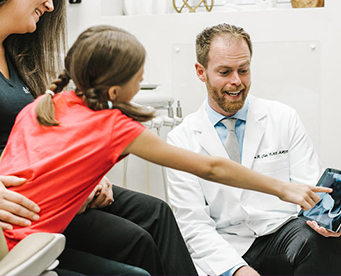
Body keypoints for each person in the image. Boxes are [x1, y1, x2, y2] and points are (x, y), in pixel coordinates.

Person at [0, 25, 329, 255]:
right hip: (26, 247)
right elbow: (211, 169)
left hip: (11, 237)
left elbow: (50, 164)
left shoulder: (45, 104)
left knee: (152, 219)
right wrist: (283, 188)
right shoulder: (117, 126)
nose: (237, 81)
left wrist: (89, 183)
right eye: (139, 77)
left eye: (243, 70)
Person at [0, 0, 191, 275]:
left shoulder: (18, 59)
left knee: (157, 214)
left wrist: (90, 175)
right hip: (22, 203)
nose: (49, 5)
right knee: (136, 243)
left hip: (51, 182)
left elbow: (51, 132)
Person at [166, 23, 341, 276]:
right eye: (225, 72)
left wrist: (329, 222)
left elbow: (310, 191)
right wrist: (236, 270)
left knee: (321, 241)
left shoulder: (283, 118)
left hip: (281, 232)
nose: (237, 81)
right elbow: (194, 225)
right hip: (225, 245)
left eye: (244, 70)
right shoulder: (181, 140)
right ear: (201, 72)